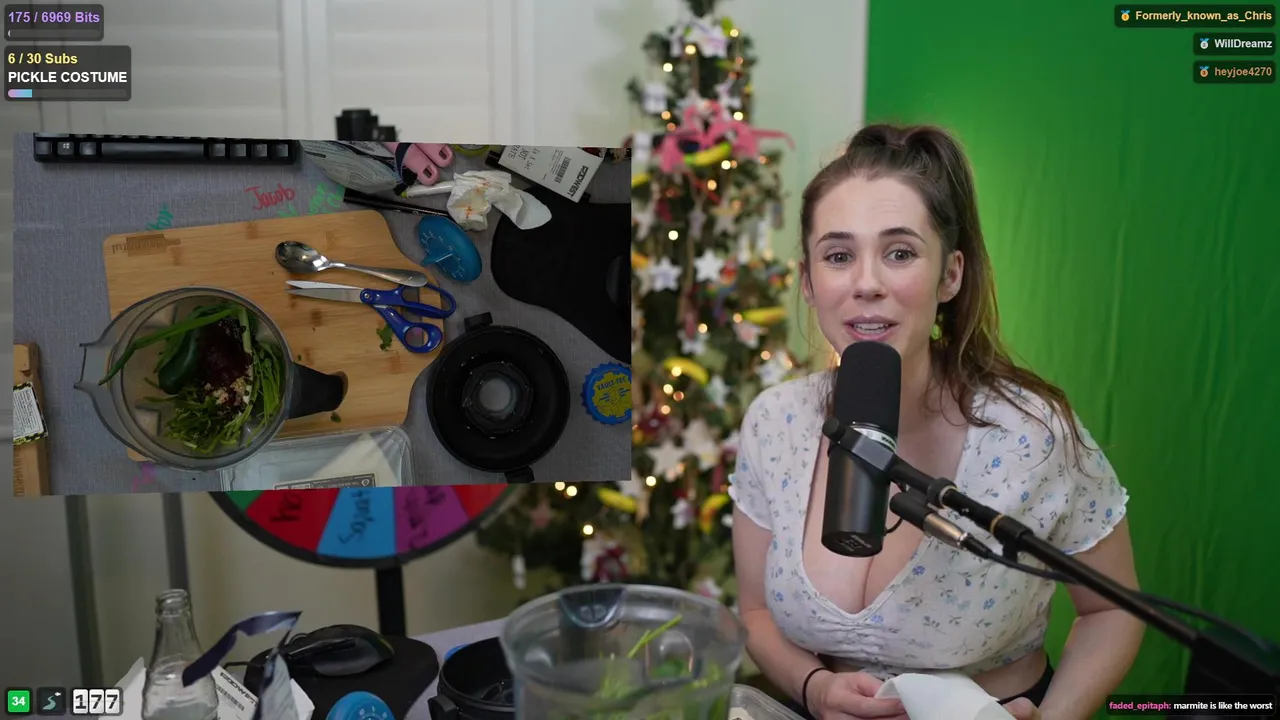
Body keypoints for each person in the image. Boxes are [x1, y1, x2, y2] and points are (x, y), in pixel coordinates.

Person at [728, 124, 1143, 720]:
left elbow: (1114, 609)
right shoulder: (775, 424)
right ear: (809, 283)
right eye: (839, 256)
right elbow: (755, 613)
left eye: (899, 253)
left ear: (950, 275)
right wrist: (814, 687)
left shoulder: (1032, 435)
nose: (866, 284)